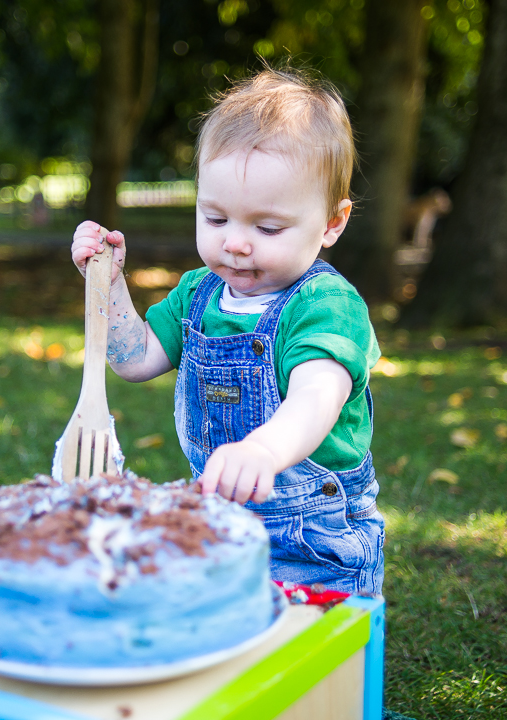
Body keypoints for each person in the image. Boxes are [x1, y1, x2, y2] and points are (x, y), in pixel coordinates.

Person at [71, 68, 384, 595]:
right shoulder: (199, 294)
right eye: (215, 219)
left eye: (266, 228)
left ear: (332, 223)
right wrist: (109, 287)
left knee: (306, 664)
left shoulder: (325, 306)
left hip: (313, 541)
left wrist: (264, 451)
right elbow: (134, 359)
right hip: (218, 528)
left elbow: (316, 398)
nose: (235, 243)